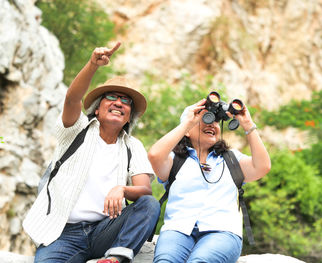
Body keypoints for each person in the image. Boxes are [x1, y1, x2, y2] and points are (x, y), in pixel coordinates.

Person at [23, 42, 160, 263]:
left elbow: (144, 191)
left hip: (106, 230)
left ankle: (115, 258)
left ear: (128, 117)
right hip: (63, 234)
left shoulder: (133, 145)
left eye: (126, 101)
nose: (119, 103)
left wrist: (123, 189)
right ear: (97, 108)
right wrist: (92, 65)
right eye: (112, 97)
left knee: (149, 205)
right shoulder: (76, 129)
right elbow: (71, 99)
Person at [148, 98, 271, 263]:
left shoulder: (232, 159)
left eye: (216, 121)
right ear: (187, 129)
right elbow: (154, 155)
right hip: (178, 230)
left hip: (222, 232)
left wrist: (248, 124)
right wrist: (187, 122)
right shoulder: (174, 161)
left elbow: (262, 167)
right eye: (205, 118)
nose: (212, 124)